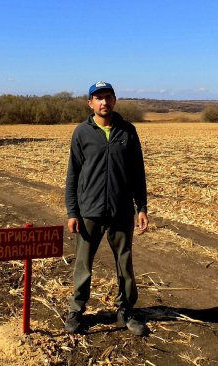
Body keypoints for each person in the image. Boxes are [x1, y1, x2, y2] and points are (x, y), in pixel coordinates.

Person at [64, 81, 149, 336]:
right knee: (83, 264)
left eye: (108, 97)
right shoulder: (81, 133)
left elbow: (138, 174)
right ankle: (76, 311)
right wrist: (72, 211)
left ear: (115, 100)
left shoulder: (128, 131)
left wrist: (141, 207)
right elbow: (73, 175)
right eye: (98, 98)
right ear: (90, 103)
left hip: (121, 211)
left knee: (125, 264)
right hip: (89, 212)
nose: (104, 102)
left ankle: (125, 312)